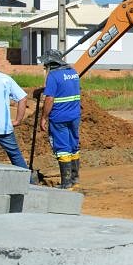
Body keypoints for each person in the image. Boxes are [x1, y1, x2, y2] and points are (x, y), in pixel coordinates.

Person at [37, 49, 82, 189]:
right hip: (74, 115)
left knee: (62, 148)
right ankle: (74, 178)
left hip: (59, 117)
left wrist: (44, 117)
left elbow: (50, 99)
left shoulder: (53, 76)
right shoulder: (73, 72)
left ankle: (66, 182)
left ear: (51, 62)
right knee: (73, 145)